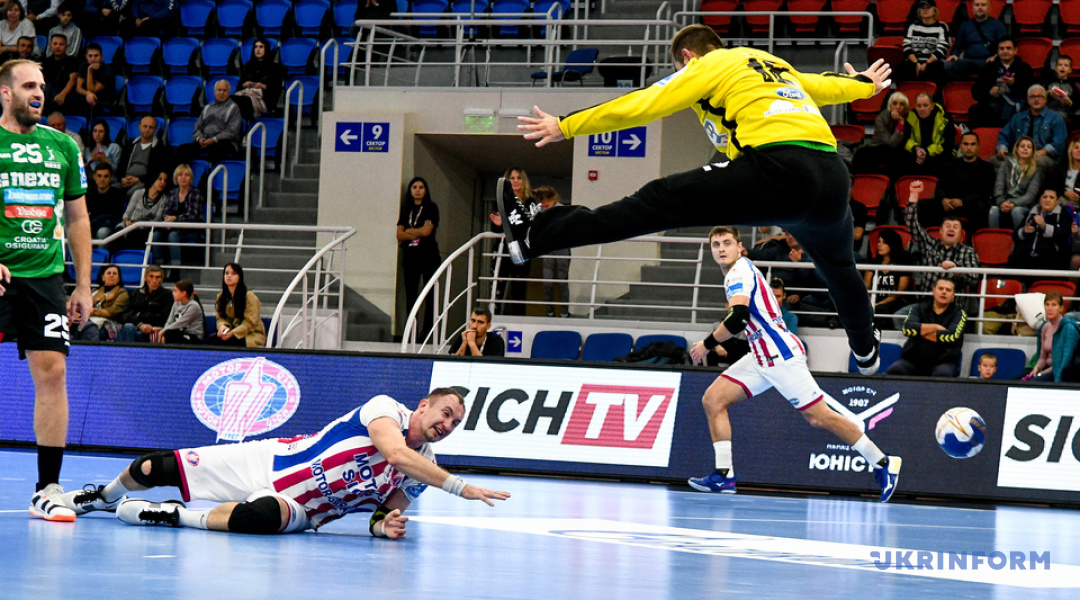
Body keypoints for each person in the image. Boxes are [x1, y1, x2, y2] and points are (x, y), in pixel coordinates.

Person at [509, 24, 893, 375]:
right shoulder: (771, 64)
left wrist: (566, 125)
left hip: (777, 169)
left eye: (678, 70)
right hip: (832, 177)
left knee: (658, 199)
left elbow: (642, 103)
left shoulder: (706, 66)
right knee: (839, 268)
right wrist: (864, 84)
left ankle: (534, 235)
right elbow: (825, 86)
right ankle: (865, 350)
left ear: (688, 58)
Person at [62, 388, 511, 535]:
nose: (447, 424)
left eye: (455, 423)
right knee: (151, 468)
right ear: (423, 406)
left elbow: (386, 510)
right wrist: (461, 487)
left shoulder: (426, 465)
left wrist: (384, 526)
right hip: (269, 461)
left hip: (303, 509)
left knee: (259, 518)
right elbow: (395, 454)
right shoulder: (386, 409)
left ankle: (170, 515)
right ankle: (101, 497)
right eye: (444, 413)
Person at [685, 227, 901, 501]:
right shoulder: (736, 271)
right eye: (716, 245)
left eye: (727, 243)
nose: (721, 249)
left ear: (740, 247)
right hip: (760, 356)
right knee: (713, 400)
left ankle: (883, 463)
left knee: (819, 417)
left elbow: (738, 318)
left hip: (780, 356)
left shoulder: (738, 272)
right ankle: (724, 475)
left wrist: (706, 343)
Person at [0, 58, 92, 522]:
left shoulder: (62, 145)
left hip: (45, 276)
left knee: (53, 373)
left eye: (41, 85)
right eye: (28, 86)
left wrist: (83, 284)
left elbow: (78, 217)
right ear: (5, 93)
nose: (38, 93)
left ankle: (47, 488)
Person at [904, 180, 981, 295]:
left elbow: (974, 278)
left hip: (953, 304)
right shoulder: (929, 244)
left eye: (955, 227)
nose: (951, 229)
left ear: (961, 233)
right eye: (948, 226)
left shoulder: (968, 252)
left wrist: (957, 269)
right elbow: (912, 225)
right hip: (927, 301)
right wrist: (914, 195)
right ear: (940, 231)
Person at [885, 277, 966, 377]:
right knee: (894, 370)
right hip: (913, 360)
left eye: (948, 290)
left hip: (944, 361)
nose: (944, 292)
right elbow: (907, 329)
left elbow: (951, 335)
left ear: (953, 295)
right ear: (934, 291)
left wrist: (920, 332)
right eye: (940, 288)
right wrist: (936, 327)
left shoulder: (959, 313)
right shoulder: (918, 308)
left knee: (943, 374)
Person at [919, 131, 995, 232]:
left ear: (978, 146)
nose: (969, 148)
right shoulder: (950, 164)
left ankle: (972, 240)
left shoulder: (986, 168)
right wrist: (944, 200)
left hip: (970, 205)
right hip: (948, 204)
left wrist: (963, 202)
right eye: (966, 144)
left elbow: (985, 193)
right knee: (922, 205)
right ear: (960, 146)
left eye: (972, 144)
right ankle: (930, 236)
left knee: (981, 208)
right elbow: (940, 187)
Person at [396, 176, 440, 338]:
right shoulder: (406, 208)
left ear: (426, 190)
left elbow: (427, 232)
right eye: (414, 187)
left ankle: (427, 332)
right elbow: (399, 234)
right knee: (411, 295)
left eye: (421, 187)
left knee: (430, 295)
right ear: (410, 190)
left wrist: (409, 231)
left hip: (429, 256)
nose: (418, 190)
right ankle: (411, 331)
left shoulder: (431, 208)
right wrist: (416, 231)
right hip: (410, 257)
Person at [490, 167, 536, 316]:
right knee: (498, 286)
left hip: (522, 249)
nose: (515, 181)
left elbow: (532, 226)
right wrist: (498, 224)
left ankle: (519, 319)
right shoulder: (501, 201)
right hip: (503, 249)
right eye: (512, 178)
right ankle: (493, 317)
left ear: (524, 181)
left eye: (519, 178)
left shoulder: (530, 202)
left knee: (519, 288)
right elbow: (495, 228)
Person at [996, 85, 1067, 171]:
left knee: (1036, 162)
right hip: (1019, 156)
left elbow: (1059, 141)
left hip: (1045, 157)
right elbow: (1004, 135)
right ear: (1027, 99)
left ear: (1045, 99)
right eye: (1032, 97)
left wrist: (1043, 151)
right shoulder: (1017, 118)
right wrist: (1002, 148)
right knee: (994, 160)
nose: (1036, 99)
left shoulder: (1056, 118)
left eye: (1039, 96)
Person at [1008, 188, 1073, 276]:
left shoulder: (1063, 215)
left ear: (1057, 201)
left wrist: (1044, 226)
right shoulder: (1031, 214)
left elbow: (1064, 235)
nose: (1047, 200)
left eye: (1051, 197)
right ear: (1040, 199)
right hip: (1026, 258)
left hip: (1050, 260)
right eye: (1044, 197)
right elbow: (1015, 236)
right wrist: (1024, 231)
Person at [971, 37, 1033, 128]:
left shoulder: (1024, 68)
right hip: (992, 106)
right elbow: (975, 91)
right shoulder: (988, 68)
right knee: (974, 110)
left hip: (1016, 105)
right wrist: (989, 92)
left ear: (1015, 50)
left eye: (1008, 48)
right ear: (998, 51)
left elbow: (1031, 91)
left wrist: (1013, 84)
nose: (1005, 51)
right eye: (1001, 48)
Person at [179, 79, 242, 164]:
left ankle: (214, 172)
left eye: (224, 90)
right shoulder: (207, 108)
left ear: (229, 92)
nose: (221, 93)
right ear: (215, 91)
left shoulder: (234, 108)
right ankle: (187, 172)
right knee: (182, 149)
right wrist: (200, 138)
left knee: (218, 149)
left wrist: (214, 139)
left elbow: (232, 132)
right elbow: (197, 127)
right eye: (219, 90)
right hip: (205, 140)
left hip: (225, 142)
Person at [1023, 291, 1080, 383]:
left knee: (1031, 384)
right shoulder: (1044, 327)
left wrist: (1042, 374)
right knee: (1014, 380)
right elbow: (1042, 357)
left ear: (1061, 308)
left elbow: (1065, 363)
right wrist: (1036, 368)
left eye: (1054, 305)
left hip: (1059, 372)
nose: (1050, 308)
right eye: (1047, 304)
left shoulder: (1069, 328)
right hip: (1045, 368)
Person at [990, 136, 1045, 230]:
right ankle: (993, 237)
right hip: (1005, 201)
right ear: (1016, 149)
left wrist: (1013, 203)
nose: (1025, 149)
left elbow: (1030, 195)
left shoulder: (1036, 169)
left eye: (1029, 147)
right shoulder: (1006, 163)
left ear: (1032, 151)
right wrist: (1001, 202)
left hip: (1024, 205)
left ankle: (1019, 237)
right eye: (1022, 146)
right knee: (993, 210)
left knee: (1016, 211)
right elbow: (999, 186)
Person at [943, 0, 1007, 81]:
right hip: (968, 60)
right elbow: (957, 46)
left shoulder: (998, 25)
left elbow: (1004, 45)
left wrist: (996, 56)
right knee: (947, 66)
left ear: (988, 8)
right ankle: (963, 85)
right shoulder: (965, 25)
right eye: (977, 5)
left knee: (999, 67)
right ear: (972, 9)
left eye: (983, 5)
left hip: (987, 61)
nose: (980, 7)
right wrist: (954, 55)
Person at [208, 262, 267, 347]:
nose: (229, 276)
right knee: (211, 341)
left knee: (227, 343)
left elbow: (250, 323)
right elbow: (220, 317)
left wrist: (233, 333)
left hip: (250, 334)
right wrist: (222, 326)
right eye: (226, 273)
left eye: (233, 273)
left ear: (240, 277)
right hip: (230, 332)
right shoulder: (221, 296)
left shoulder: (250, 296)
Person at [864, 228, 913, 329]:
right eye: (879, 242)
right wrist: (870, 302)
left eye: (884, 242)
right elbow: (866, 286)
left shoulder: (903, 263)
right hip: (874, 300)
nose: (879, 245)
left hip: (895, 302)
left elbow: (899, 292)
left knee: (880, 310)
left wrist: (877, 304)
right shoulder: (873, 262)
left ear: (892, 244)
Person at [851, 91, 909, 176]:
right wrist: (901, 123)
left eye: (902, 104)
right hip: (880, 147)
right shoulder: (881, 119)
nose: (898, 107)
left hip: (901, 149)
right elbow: (890, 143)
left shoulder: (910, 119)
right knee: (861, 154)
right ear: (890, 106)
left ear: (906, 108)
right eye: (894, 103)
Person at [899, 92, 954, 177]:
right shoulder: (910, 117)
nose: (922, 109)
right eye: (919, 106)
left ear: (932, 106)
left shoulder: (945, 119)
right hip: (916, 154)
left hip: (937, 155)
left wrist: (927, 152)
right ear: (915, 107)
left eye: (925, 105)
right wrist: (916, 149)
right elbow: (904, 139)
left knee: (947, 159)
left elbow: (947, 145)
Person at [534, 186, 570, 317]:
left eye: (546, 203)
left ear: (553, 199)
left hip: (562, 248)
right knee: (547, 282)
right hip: (548, 248)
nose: (544, 206)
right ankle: (550, 312)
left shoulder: (562, 210)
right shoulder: (539, 211)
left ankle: (564, 313)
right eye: (541, 203)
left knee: (562, 281)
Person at [116, 115, 172, 199]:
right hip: (126, 179)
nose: (147, 129)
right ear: (139, 127)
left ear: (155, 130)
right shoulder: (130, 145)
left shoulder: (161, 149)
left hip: (145, 182)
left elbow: (157, 173)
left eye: (151, 127)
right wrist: (122, 178)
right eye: (145, 126)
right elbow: (121, 166)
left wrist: (138, 180)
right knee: (112, 190)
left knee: (132, 194)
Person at [159, 164, 204, 267]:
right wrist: (167, 220)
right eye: (180, 175)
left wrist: (175, 218)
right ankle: (158, 266)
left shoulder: (195, 193)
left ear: (191, 178)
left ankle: (175, 268)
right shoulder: (172, 193)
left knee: (173, 235)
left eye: (187, 175)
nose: (183, 178)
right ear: (176, 178)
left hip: (191, 230)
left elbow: (193, 216)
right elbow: (165, 213)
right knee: (156, 234)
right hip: (173, 228)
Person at [896, 0, 948, 86]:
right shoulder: (912, 26)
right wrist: (916, 63)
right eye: (922, 8)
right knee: (901, 69)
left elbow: (942, 49)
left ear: (935, 10)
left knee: (936, 70)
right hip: (914, 61)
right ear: (919, 11)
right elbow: (907, 47)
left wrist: (927, 63)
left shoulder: (941, 27)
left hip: (932, 62)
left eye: (928, 7)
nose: (925, 10)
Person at [116, 264, 172, 342]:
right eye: (151, 277)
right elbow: (125, 314)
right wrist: (140, 324)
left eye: (157, 277)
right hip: (136, 327)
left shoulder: (167, 295)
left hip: (155, 330)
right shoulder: (136, 293)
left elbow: (164, 317)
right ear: (145, 277)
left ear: (162, 279)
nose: (154, 281)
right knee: (127, 327)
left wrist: (139, 315)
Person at [233, 38, 284, 121]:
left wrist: (263, 86)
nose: (258, 50)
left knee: (243, 102)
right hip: (246, 95)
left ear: (266, 49)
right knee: (232, 99)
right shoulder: (248, 65)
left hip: (264, 99)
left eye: (261, 47)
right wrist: (245, 85)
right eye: (256, 47)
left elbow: (277, 89)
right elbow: (239, 86)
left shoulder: (275, 67)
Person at [75, 263, 128, 341]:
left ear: (118, 278)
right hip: (88, 318)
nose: (112, 275)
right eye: (109, 273)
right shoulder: (94, 291)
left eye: (114, 274)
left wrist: (94, 311)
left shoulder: (122, 293)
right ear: (103, 277)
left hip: (108, 323)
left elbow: (114, 311)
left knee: (89, 330)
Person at [119, 170, 168, 251]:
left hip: (145, 229)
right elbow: (127, 213)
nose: (163, 183)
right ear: (153, 179)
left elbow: (156, 220)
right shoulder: (138, 193)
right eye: (160, 179)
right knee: (117, 231)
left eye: (165, 180)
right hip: (129, 225)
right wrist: (126, 220)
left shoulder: (164, 199)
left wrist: (138, 225)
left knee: (136, 234)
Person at [151, 279, 203, 344]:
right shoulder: (176, 303)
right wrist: (164, 331)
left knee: (170, 334)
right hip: (180, 332)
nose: (173, 293)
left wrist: (163, 331)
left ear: (184, 293)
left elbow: (181, 323)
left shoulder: (193, 306)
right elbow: (170, 321)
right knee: (168, 333)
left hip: (193, 335)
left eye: (175, 291)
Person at [74, 43, 116, 118]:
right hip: (88, 96)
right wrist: (87, 93)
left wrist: (90, 71)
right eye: (90, 56)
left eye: (96, 56)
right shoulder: (83, 66)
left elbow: (92, 90)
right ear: (86, 57)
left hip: (104, 97)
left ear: (102, 57)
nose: (93, 59)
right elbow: (78, 88)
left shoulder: (107, 71)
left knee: (90, 101)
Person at [85, 163, 126, 239]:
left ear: (110, 178)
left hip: (109, 226)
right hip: (91, 224)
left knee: (102, 232)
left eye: (106, 176)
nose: (102, 179)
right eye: (99, 176)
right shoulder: (89, 194)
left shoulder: (117, 194)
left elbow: (116, 218)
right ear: (94, 176)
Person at [41, 34, 76, 113]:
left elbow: (72, 80)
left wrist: (63, 94)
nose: (58, 47)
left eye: (61, 44)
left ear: (66, 46)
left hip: (64, 93)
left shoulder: (72, 61)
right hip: (47, 93)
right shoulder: (45, 62)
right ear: (50, 45)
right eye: (55, 44)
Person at [1044, 56, 1078, 124]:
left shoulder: (1072, 86)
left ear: (1070, 70)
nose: (1062, 67)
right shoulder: (1049, 82)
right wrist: (1048, 93)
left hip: (1064, 113)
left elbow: (1077, 104)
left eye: (1066, 65)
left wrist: (1069, 102)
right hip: (1049, 111)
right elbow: (1041, 97)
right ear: (1056, 68)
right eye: (1060, 65)